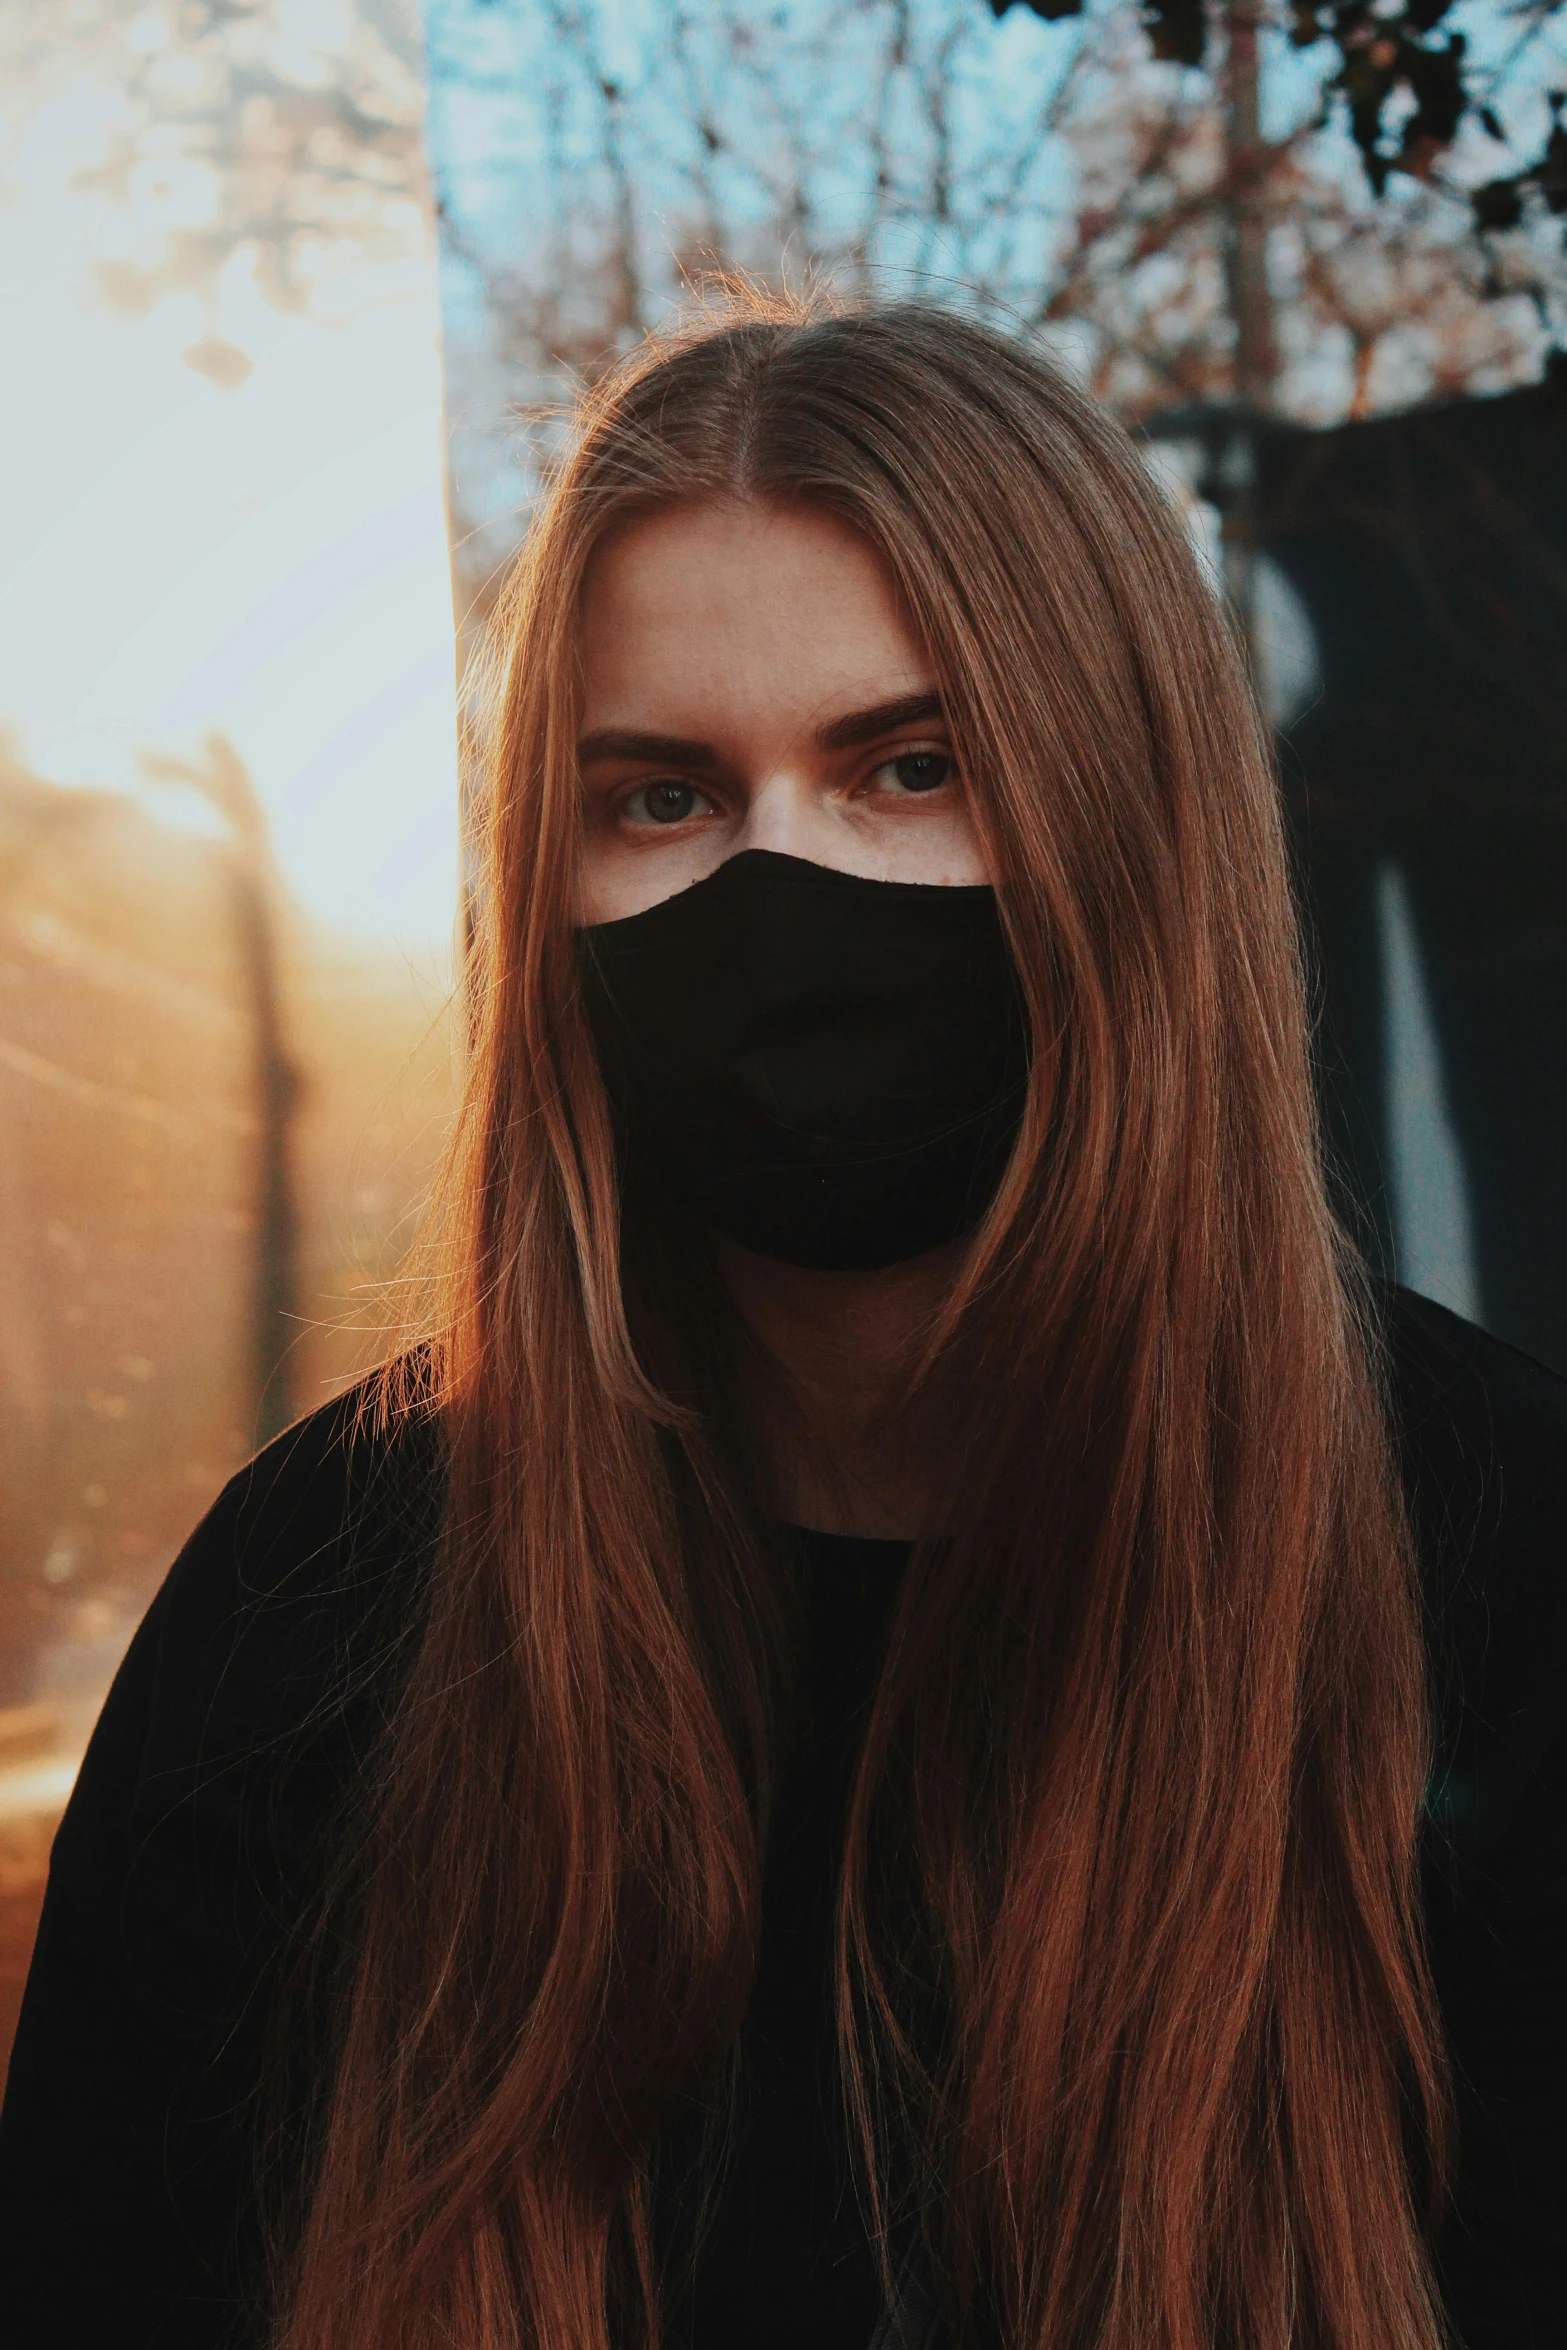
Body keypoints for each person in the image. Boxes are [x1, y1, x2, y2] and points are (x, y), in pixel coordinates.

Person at [1, 297, 1563, 2350]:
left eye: (910, 766)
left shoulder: (1506, 1565)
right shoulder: (317, 1612)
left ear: (1129, 822)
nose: (781, 881)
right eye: (658, 797)